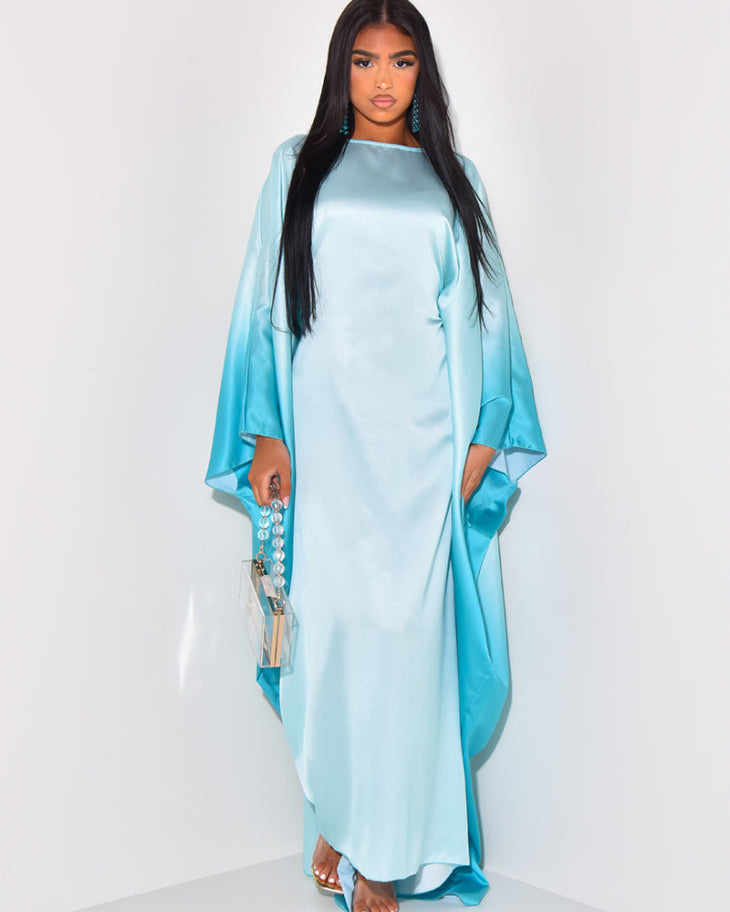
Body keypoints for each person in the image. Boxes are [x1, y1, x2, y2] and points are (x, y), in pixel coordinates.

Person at [205, 2, 545, 910]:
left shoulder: (455, 181)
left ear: (422, 71)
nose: (383, 80)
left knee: (405, 641)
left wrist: (485, 433)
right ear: (340, 70)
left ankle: (383, 858)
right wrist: (267, 428)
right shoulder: (296, 167)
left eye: (400, 61)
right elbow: (263, 301)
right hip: (325, 436)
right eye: (364, 61)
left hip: (422, 442)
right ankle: (342, 809)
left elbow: (490, 314)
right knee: (331, 633)